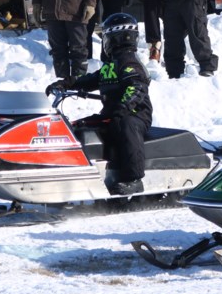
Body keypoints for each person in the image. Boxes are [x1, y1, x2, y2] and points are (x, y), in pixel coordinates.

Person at [45, 13, 152, 196]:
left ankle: (134, 179)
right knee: (81, 126)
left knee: (124, 126)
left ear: (116, 38)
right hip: (113, 113)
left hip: (135, 114)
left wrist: (124, 107)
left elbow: (137, 88)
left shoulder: (130, 63)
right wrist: (67, 83)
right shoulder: (110, 65)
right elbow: (91, 79)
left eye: (107, 38)